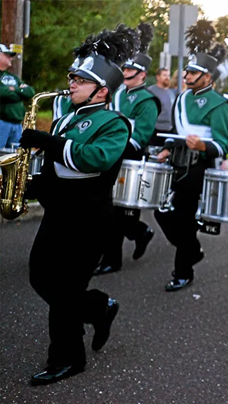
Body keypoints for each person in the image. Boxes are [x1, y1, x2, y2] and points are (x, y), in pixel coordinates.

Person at [19, 25, 136, 385]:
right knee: (40, 277)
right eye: (72, 77)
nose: (71, 84)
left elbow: (94, 159)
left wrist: (47, 142)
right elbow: (58, 169)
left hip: (88, 221)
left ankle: (68, 358)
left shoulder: (115, 123)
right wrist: (29, 185)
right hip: (58, 215)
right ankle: (99, 307)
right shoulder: (67, 116)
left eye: (80, 80)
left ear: (102, 90)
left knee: (64, 294)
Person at [154, 20, 228, 291]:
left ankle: (182, 271)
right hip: (176, 166)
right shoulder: (181, 99)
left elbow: (223, 145)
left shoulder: (220, 104)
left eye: (193, 73)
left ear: (208, 76)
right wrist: (166, 149)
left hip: (199, 169)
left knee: (185, 221)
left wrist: (203, 146)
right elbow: (176, 132)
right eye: (187, 71)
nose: (186, 76)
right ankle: (193, 250)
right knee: (162, 214)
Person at [96, 23, 160, 276]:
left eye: (132, 70)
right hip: (111, 153)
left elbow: (140, 137)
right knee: (111, 210)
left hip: (129, 156)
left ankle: (113, 258)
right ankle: (138, 233)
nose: (126, 72)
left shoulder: (147, 100)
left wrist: (112, 148)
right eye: (126, 68)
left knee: (117, 211)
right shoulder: (117, 94)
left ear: (142, 75)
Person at [0, 43, 34, 148]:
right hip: (1, 123)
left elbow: (30, 92)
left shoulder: (12, 77)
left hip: (17, 125)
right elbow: (2, 93)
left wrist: (13, 89)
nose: (10, 58)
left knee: (14, 158)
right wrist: (20, 91)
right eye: (7, 55)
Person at [148, 68, 176, 137]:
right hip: (156, 130)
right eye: (164, 75)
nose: (167, 78)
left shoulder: (171, 92)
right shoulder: (151, 91)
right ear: (158, 77)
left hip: (169, 130)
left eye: (168, 75)